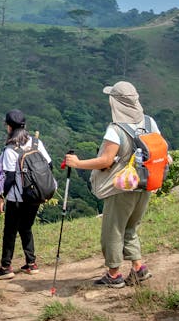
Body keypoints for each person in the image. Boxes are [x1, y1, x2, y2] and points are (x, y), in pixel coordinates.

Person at [65, 81, 160, 288]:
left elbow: (106, 161)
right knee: (131, 227)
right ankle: (138, 268)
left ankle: (114, 274)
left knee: (113, 229)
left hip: (122, 186)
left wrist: (78, 163)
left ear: (116, 103)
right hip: (146, 183)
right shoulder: (150, 123)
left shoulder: (115, 130)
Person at [0, 110, 50, 280]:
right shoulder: (36, 143)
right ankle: (31, 264)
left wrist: (1, 197)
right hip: (34, 195)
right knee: (26, 227)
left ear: (9, 127)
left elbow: (9, 178)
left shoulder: (10, 149)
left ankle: (5, 267)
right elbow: (49, 165)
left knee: (9, 231)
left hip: (16, 198)